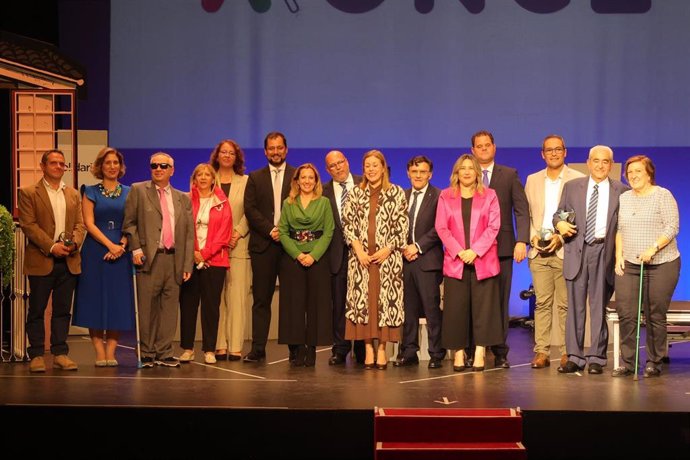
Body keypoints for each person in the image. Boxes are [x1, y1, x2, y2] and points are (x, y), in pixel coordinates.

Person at [554, 145, 629, 375]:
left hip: (603, 252)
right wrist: (559, 224)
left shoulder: (622, 191)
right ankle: (575, 356)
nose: (600, 165)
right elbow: (559, 214)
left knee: (599, 307)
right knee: (574, 307)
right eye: (596, 161)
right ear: (588, 163)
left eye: (605, 162)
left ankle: (596, 357)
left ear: (611, 165)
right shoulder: (572, 187)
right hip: (577, 249)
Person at [123, 152, 194, 368]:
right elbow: (129, 224)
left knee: (170, 309)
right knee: (147, 308)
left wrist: (187, 264)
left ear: (172, 170)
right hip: (149, 259)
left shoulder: (183, 198)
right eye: (154, 165)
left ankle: (164, 352)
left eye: (164, 166)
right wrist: (135, 248)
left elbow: (189, 234)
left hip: (174, 259)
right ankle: (147, 352)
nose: (158, 169)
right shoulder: (138, 190)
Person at [612, 155, 680, 378]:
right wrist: (619, 255)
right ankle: (629, 362)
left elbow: (672, 227)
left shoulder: (662, 195)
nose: (633, 176)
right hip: (630, 264)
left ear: (649, 173)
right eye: (629, 172)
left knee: (654, 314)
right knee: (627, 313)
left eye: (638, 171)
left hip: (662, 264)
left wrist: (653, 248)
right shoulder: (625, 198)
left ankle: (654, 360)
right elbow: (620, 229)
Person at [18, 149, 86, 372]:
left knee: (62, 310)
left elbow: (80, 225)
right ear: (43, 166)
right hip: (42, 259)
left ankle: (60, 353)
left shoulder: (73, 194)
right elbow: (29, 225)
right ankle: (37, 354)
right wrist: (51, 246)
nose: (59, 167)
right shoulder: (29, 192)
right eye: (54, 163)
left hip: (69, 260)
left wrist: (73, 244)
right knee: (37, 309)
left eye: (62, 164)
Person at [342, 149, 408, 370]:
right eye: (367, 166)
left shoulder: (397, 192)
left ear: (383, 167)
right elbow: (348, 224)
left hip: (387, 261)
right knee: (365, 305)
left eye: (375, 165)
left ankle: (382, 350)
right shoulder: (354, 194)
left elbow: (402, 227)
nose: (371, 169)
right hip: (361, 261)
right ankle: (369, 348)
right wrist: (359, 250)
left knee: (385, 305)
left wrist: (388, 249)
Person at [436, 154, 502, 372]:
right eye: (462, 168)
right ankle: (459, 352)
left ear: (477, 173)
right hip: (456, 262)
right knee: (456, 310)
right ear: (456, 172)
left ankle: (480, 351)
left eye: (470, 168)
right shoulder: (446, 196)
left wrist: (475, 251)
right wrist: (459, 251)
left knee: (484, 309)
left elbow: (494, 227)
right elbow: (441, 228)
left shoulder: (490, 196)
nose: (466, 172)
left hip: (483, 261)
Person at [524, 136, 585, 369]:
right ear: (542, 154)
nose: (553, 153)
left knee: (565, 304)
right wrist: (532, 236)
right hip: (538, 251)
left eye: (558, 149)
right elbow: (528, 214)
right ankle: (541, 351)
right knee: (541, 303)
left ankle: (568, 352)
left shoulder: (578, 179)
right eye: (549, 150)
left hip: (565, 250)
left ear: (565, 152)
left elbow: (580, 216)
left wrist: (561, 237)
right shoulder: (532, 180)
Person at [471, 130, 529, 369]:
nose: (484, 149)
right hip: (474, 250)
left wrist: (521, 241)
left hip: (503, 248)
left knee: (500, 300)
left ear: (494, 148)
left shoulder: (509, 174)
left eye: (487, 145)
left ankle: (500, 351)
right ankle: (475, 348)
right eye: (479, 146)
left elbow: (521, 210)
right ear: (473, 150)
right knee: (478, 302)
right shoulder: (466, 174)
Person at [73, 147, 135, 367]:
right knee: (95, 301)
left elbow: (131, 223)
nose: (112, 167)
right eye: (107, 163)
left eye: (115, 163)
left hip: (121, 252)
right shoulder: (90, 191)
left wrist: (121, 245)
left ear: (120, 166)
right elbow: (88, 223)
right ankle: (99, 351)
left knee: (117, 302)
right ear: (100, 166)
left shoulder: (129, 191)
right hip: (95, 251)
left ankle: (112, 351)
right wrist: (110, 244)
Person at [243, 132, 297, 362]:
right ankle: (258, 348)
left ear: (286, 149)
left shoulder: (298, 175)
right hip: (263, 246)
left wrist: (283, 232)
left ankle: (295, 348)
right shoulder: (254, 178)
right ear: (265, 152)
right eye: (271, 148)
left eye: (279, 148)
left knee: (292, 300)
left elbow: (305, 206)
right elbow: (250, 209)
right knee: (261, 300)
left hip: (291, 247)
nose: (275, 152)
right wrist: (270, 230)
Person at [277, 164, 335, 366]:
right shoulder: (288, 203)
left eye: (311, 177)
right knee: (294, 305)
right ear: (297, 180)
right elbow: (283, 231)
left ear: (316, 181)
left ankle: (311, 349)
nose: (307, 181)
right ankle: (297, 348)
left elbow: (329, 231)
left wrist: (314, 255)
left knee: (315, 305)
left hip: (317, 259)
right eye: (304, 177)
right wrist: (298, 254)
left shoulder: (324, 202)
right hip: (293, 259)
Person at [178, 164, 232, 364]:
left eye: (207, 175)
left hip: (214, 261)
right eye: (199, 174)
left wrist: (205, 254)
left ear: (213, 179)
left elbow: (224, 233)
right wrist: (193, 253)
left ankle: (209, 349)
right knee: (188, 305)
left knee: (211, 307)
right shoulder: (184, 200)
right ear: (194, 178)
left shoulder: (222, 202)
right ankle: (187, 348)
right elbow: (181, 229)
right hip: (189, 260)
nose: (203, 177)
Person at [394, 155, 445, 369]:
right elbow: (394, 225)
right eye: (414, 172)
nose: (418, 175)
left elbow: (440, 227)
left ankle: (436, 353)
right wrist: (404, 248)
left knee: (432, 309)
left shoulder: (439, 196)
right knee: (408, 310)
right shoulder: (401, 196)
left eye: (422, 172)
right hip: (405, 260)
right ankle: (409, 351)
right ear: (408, 173)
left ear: (430, 174)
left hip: (428, 260)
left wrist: (418, 246)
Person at [322, 150, 365, 365]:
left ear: (347, 162)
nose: (338, 167)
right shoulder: (322, 191)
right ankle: (340, 348)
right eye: (333, 165)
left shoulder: (364, 183)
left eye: (341, 162)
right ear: (327, 170)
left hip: (363, 255)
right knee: (338, 304)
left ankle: (361, 347)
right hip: (336, 255)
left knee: (361, 302)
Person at [210, 139, 251, 361]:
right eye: (223, 152)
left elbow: (250, 211)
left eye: (231, 153)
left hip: (238, 246)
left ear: (237, 157)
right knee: (215, 298)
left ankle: (235, 346)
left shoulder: (246, 181)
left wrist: (236, 233)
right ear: (217, 155)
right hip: (212, 249)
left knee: (237, 298)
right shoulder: (206, 178)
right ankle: (219, 345)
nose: (226, 155)